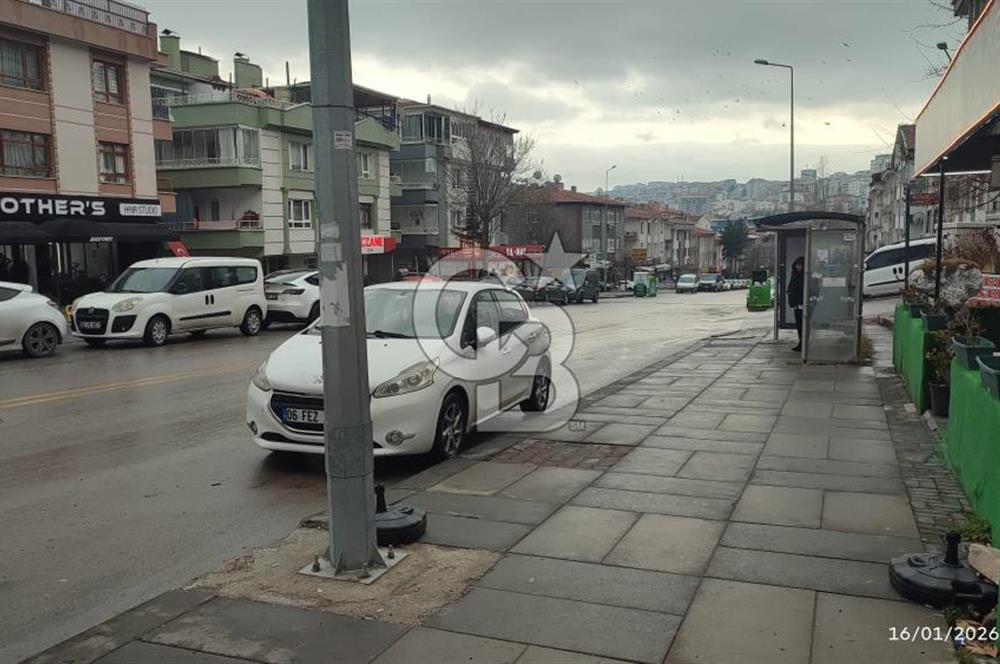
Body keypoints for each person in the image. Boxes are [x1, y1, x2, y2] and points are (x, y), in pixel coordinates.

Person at [788, 256, 805, 352]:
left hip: (804, 303)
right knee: (799, 324)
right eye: (796, 265)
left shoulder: (805, 276)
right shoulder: (794, 275)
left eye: (800, 265)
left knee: (804, 324)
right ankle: (800, 342)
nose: (797, 267)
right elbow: (790, 287)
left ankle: (803, 343)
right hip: (796, 304)